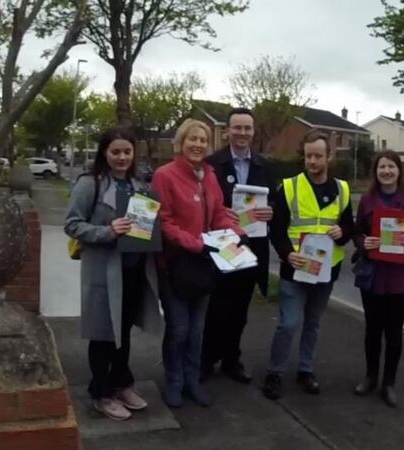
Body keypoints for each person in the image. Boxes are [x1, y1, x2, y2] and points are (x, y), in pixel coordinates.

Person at [64, 127, 164, 421]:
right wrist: (107, 231)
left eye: (127, 152)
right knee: (103, 335)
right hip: (104, 273)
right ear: (104, 153)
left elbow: (146, 226)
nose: (121, 157)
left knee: (124, 332)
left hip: (134, 272)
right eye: (115, 151)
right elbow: (72, 224)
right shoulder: (90, 183)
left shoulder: (139, 185)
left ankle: (121, 383)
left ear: (134, 154)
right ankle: (100, 393)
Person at [152, 118, 246, 408]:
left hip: (204, 265)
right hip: (175, 264)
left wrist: (233, 234)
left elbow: (218, 213)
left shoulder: (210, 174)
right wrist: (195, 242)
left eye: (203, 140)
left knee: (196, 330)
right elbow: (163, 220)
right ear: (181, 142)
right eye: (192, 139)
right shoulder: (164, 175)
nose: (198, 144)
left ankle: (192, 380)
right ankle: (174, 380)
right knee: (179, 328)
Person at [262, 131, 354, 400]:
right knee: (289, 323)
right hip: (295, 268)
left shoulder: (343, 189)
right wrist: (288, 255)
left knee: (313, 323)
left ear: (329, 157)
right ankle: (275, 373)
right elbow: (276, 230)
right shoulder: (289, 187)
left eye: (318, 156)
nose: (312, 161)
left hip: (326, 269)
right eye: (309, 155)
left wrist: (343, 232)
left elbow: (349, 225)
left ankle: (306, 370)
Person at [201, 108, 276, 384]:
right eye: (237, 128)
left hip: (253, 245)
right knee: (216, 307)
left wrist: (272, 211)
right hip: (222, 243)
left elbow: (275, 203)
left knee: (240, 310)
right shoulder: (211, 164)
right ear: (227, 130)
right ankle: (207, 359)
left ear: (253, 131)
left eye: (247, 128)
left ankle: (232, 359)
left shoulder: (265, 165)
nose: (242, 133)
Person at [353, 150, 404, 408]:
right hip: (373, 276)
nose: (386, 171)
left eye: (391, 167)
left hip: (400, 277)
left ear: (399, 170)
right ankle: (370, 377)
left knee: (393, 332)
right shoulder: (367, 200)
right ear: (376, 172)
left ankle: (389, 383)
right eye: (381, 167)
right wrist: (365, 242)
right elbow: (357, 234)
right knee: (372, 330)